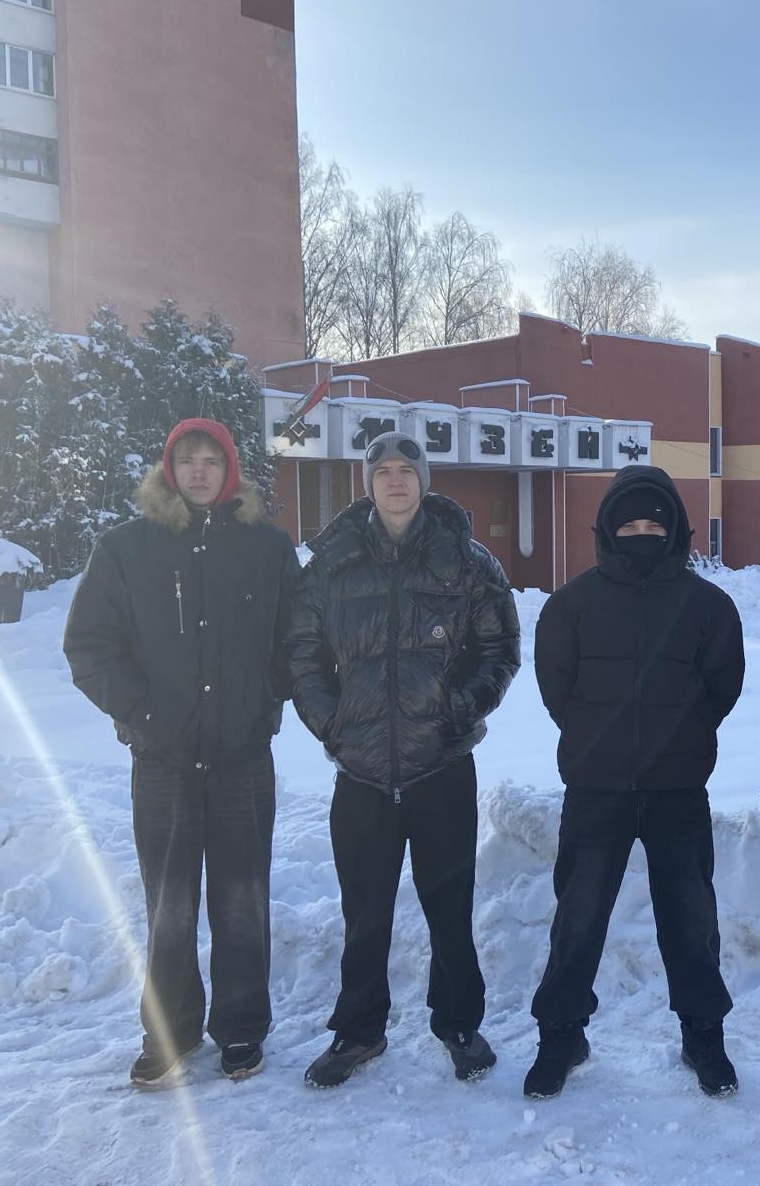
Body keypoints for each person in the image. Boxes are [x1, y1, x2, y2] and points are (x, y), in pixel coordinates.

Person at [64, 418, 299, 1088]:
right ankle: (170, 1032)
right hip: (162, 763)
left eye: (211, 460)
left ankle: (242, 1028)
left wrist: (264, 700)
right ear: (169, 470)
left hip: (242, 759)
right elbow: (89, 645)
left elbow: (298, 640)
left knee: (243, 899)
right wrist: (141, 713)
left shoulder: (267, 549)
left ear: (230, 471)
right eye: (187, 460)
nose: (199, 471)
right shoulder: (125, 548)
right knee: (169, 906)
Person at [287, 431, 520, 1088]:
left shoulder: (466, 560)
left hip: (440, 764)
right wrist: (332, 723)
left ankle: (459, 1024)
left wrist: (460, 708)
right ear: (368, 482)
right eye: (383, 470)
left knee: (450, 907)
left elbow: (500, 649)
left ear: (423, 481)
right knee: (364, 911)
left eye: (406, 470)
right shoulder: (331, 563)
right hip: (360, 770)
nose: (395, 480)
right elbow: (300, 653)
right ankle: (359, 1030)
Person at [524, 465, 746, 1100]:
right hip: (596, 789)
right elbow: (557, 686)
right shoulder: (571, 604)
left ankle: (702, 1033)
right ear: (607, 530)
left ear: (675, 530)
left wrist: (683, 732)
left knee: (691, 919)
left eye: (655, 523)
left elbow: (722, 687)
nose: (642, 533)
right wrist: (596, 735)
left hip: (678, 789)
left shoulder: (709, 606)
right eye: (629, 524)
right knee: (578, 917)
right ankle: (562, 1034)